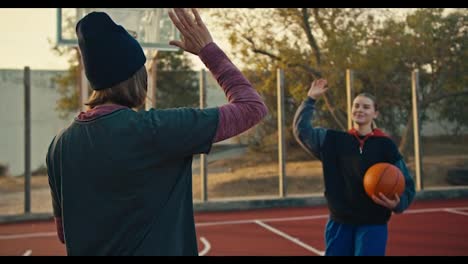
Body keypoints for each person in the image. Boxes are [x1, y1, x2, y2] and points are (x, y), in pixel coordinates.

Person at [46, 8, 267, 256]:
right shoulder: (156, 130)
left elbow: (64, 233)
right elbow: (251, 107)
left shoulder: (58, 146)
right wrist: (208, 51)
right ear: (138, 77)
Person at [292, 78, 415, 256]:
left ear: (375, 114)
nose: (360, 110)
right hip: (340, 221)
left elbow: (407, 183)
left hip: (373, 222)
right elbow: (301, 131)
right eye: (356, 106)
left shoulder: (386, 146)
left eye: (366, 107)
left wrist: (399, 203)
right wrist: (310, 99)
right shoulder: (332, 140)